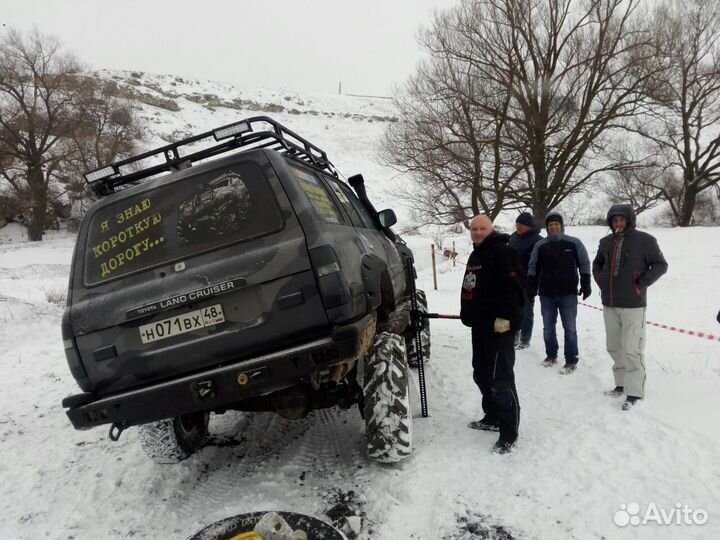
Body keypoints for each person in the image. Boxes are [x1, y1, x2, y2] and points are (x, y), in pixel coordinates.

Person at [592, 204, 668, 410]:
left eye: (622, 219)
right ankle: (621, 383)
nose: (618, 223)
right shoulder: (605, 241)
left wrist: (641, 282)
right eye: (614, 220)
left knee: (632, 349)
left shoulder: (645, 240)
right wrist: (600, 278)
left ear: (630, 220)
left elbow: (661, 264)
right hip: (609, 303)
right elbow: (597, 263)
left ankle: (634, 392)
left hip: (633, 304)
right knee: (615, 347)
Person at [460, 215, 525, 454]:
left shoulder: (503, 253)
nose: (477, 232)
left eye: (482, 228)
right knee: (482, 374)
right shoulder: (476, 254)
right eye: (474, 229)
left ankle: (509, 432)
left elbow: (515, 288)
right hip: (480, 326)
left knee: (501, 380)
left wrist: (505, 316)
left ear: (491, 229)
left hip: (500, 328)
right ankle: (493, 416)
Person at [527, 212, 591, 374]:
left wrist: (586, 283)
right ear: (547, 227)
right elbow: (533, 266)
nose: (553, 227)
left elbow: (584, 262)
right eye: (550, 225)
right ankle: (551, 355)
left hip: (568, 293)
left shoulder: (574, 243)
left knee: (570, 328)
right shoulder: (540, 245)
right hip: (546, 293)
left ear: (561, 225)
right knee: (548, 327)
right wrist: (531, 286)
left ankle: (571, 360)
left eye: (556, 224)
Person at [509, 212, 543, 349]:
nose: (518, 227)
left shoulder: (538, 240)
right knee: (513, 309)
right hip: (512, 279)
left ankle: (525, 339)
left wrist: (535, 283)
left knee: (527, 310)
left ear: (528, 226)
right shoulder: (513, 237)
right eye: (516, 224)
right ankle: (515, 334)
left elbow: (540, 263)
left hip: (529, 280)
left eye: (520, 225)